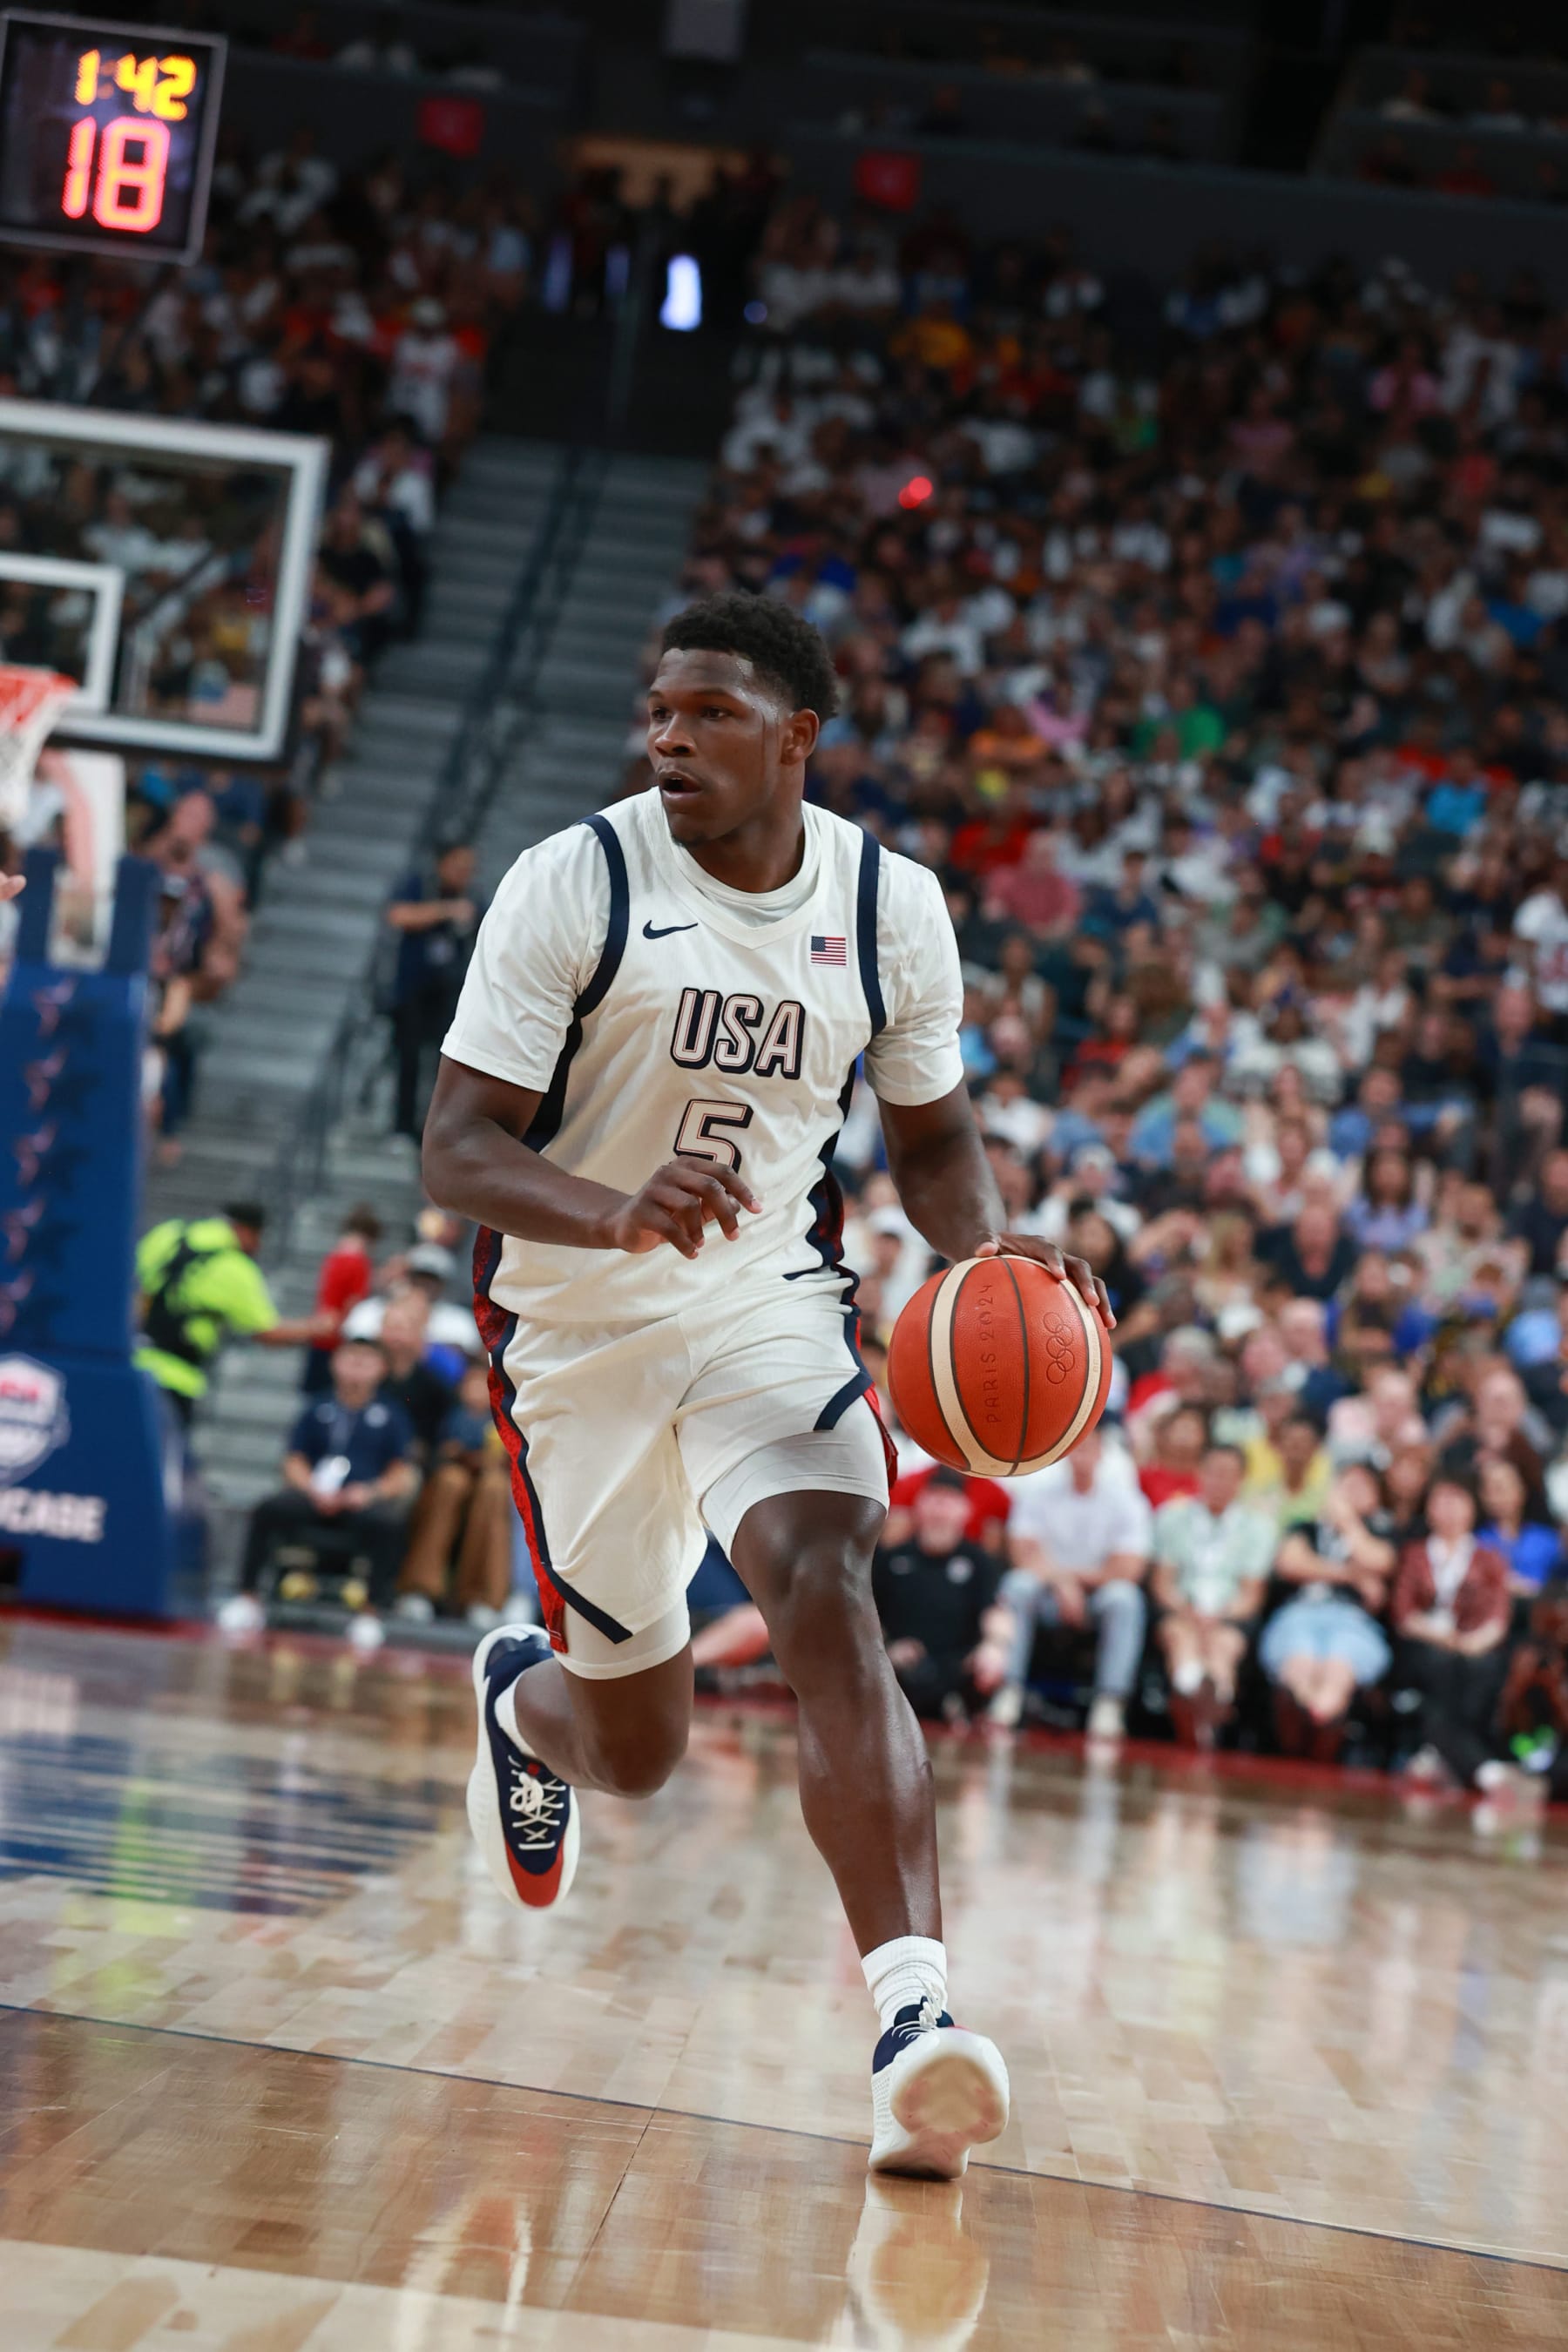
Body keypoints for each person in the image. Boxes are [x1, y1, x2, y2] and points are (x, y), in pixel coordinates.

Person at [422, 591, 1115, 2180]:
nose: (669, 738)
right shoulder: (577, 880)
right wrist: (613, 1209)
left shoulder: (890, 906)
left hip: (766, 1304)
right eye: (660, 711)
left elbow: (933, 1138)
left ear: (797, 736)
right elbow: (455, 1149)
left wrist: (991, 1262)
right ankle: (524, 1705)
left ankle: (913, 2024)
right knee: (638, 1753)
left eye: (711, 713)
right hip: (574, 1326)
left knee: (824, 1582)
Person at [226, 1336, 418, 1629]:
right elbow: (293, 1460)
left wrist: (369, 1493)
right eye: (350, 1358)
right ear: (334, 1363)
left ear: (382, 1368)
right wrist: (312, 1489)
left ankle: (371, 1613)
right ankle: (248, 1598)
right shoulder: (316, 1407)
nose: (356, 1367)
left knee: (389, 1524)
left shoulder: (392, 1415)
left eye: (365, 1361)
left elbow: (400, 1473)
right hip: (315, 1496)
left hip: (360, 1502)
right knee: (269, 1509)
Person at [992, 1428, 1151, 1741]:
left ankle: (1110, 1701)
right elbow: (1022, 1554)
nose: (1082, 1456)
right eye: (1076, 1448)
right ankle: (1007, 1689)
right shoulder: (1037, 1493)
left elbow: (1128, 1569)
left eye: (1089, 1448)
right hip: (1048, 1594)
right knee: (1017, 1585)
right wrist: (1062, 1583)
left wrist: (1072, 1581)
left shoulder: (1127, 1501)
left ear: (1102, 1454)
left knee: (1125, 1599)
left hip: (1098, 1599)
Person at [135, 1202, 318, 1426]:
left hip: (133, 1361)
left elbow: (131, 1279)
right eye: (258, 1237)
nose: (258, 1246)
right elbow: (267, 1332)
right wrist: (315, 1328)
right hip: (177, 1380)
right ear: (245, 1230)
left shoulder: (171, 1232)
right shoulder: (235, 1267)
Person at [1258, 1463, 1395, 1759]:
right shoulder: (1306, 1527)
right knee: (1300, 1662)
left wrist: (1348, 1523)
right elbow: (1290, 1563)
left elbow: (1379, 1561)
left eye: (1363, 1487)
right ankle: (1311, 1716)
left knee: (1337, 1668)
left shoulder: (1383, 1531)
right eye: (1347, 1484)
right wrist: (1353, 1576)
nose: (1352, 1492)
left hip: (1353, 1620)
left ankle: (1317, 1716)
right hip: (1300, 1613)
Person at [1391, 1473, 1513, 1788]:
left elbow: (1498, 1616)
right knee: (1439, 1665)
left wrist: (1473, 1642)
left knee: (1482, 1668)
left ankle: (1442, 1752)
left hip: (1472, 1643)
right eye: (1441, 1501)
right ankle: (1479, 1766)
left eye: (1457, 1501)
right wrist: (1440, 1636)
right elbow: (1404, 1612)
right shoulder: (1415, 1553)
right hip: (1425, 1642)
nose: (1449, 1509)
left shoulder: (1489, 1558)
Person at [1151, 1443, 1274, 1747]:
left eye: (1229, 1475)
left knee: (1224, 1647)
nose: (1220, 1481)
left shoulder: (1259, 1527)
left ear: (1241, 1479)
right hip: (1182, 1609)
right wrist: (1188, 1611)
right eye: (1214, 1473)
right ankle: (1194, 1698)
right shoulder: (1172, 1517)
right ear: (1200, 1473)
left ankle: (1211, 1708)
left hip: (1229, 1614)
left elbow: (1252, 1594)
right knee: (1181, 1640)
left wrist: (1218, 1616)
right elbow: (1163, 1583)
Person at [872, 1470, 1010, 1722]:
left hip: (958, 1671)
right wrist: (887, 1648)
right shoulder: (892, 1558)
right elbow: (868, 1615)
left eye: (948, 1501)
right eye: (934, 1499)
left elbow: (996, 1612)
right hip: (902, 1668)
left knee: (990, 1668)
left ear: (965, 1510)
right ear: (919, 1505)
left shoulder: (979, 1562)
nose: (940, 1511)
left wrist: (994, 1647)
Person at [396, 1357, 517, 1628]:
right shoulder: (446, 1411)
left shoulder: (509, 1416)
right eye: (471, 1383)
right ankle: (420, 1589)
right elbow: (434, 1451)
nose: (477, 1391)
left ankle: (483, 1598)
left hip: (490, 1483)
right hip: (449, 1480)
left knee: (496, 1487)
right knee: (450, 1482)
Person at [385, 840, 483, 1143]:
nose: (464, 872)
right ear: (442, 863)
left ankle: (437, 1131)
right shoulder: (420, 886)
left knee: (447, 1067)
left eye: (469, 867)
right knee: (409, 1061)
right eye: (458, 865)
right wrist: (446, 911)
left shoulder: (473, 897)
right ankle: (402, 1127)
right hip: (412, 991)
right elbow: (399, 916)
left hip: (450, 995)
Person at [301, 1204, 382, 1396]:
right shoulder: (358, 1262)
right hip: (336, 1334)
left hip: (322, 1327)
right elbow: (354, 1301)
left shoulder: (335, 1256)